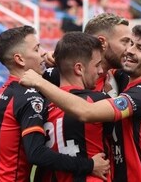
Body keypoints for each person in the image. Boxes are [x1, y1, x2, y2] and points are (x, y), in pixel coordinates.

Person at [20, 24, 141, 182]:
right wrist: (62, 56)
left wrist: (39, 82)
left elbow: (87, 112)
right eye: (131, 44)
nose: (129, 51)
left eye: (140, 48)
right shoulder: (124, 82)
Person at [0, 26, 109, 182]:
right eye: (36, 48)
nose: (43, 53)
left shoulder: (4, 92)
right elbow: (37, 154)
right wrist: (89, 164)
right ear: (20, 59)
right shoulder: (31, 98)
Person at [34, 32, 113, 182]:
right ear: (79, 69)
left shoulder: (41, 105)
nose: (101, 71)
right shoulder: (97, 101)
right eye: (97, 65)